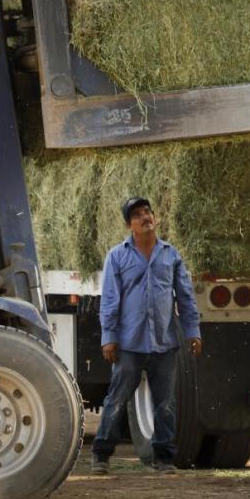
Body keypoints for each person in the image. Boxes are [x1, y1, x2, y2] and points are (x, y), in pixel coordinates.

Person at [91, 196, 202, 475]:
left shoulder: (170, 255)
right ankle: (101, 455)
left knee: (165, 403)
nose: (145, 217)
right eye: (138, 215)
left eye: (148, 212)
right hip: (129, 343)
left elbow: (186, 298)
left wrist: (193, 332)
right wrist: (109, 336)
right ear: (130, 225)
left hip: (164, 343)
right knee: (117, 398)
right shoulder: (117, 256)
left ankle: (164, 459)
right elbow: (110, 299)